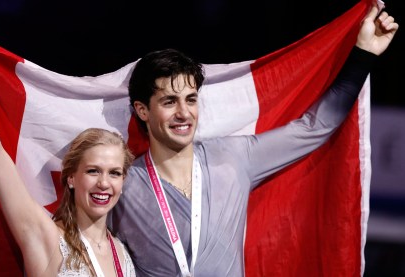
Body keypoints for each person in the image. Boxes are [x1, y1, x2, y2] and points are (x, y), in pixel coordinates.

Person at [107, 5, 399, 277]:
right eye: (170, 101)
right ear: (142, 110)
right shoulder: (121, 183)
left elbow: (316, 126)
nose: (184, 113)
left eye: (191, 100)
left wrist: (364, 54)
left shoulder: (234, 158)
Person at [0, 19, 136, 277]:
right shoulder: (45, 237)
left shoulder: (122, 253)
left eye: (114, 173)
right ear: (71, 177)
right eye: (93, 171)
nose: (104, 183)